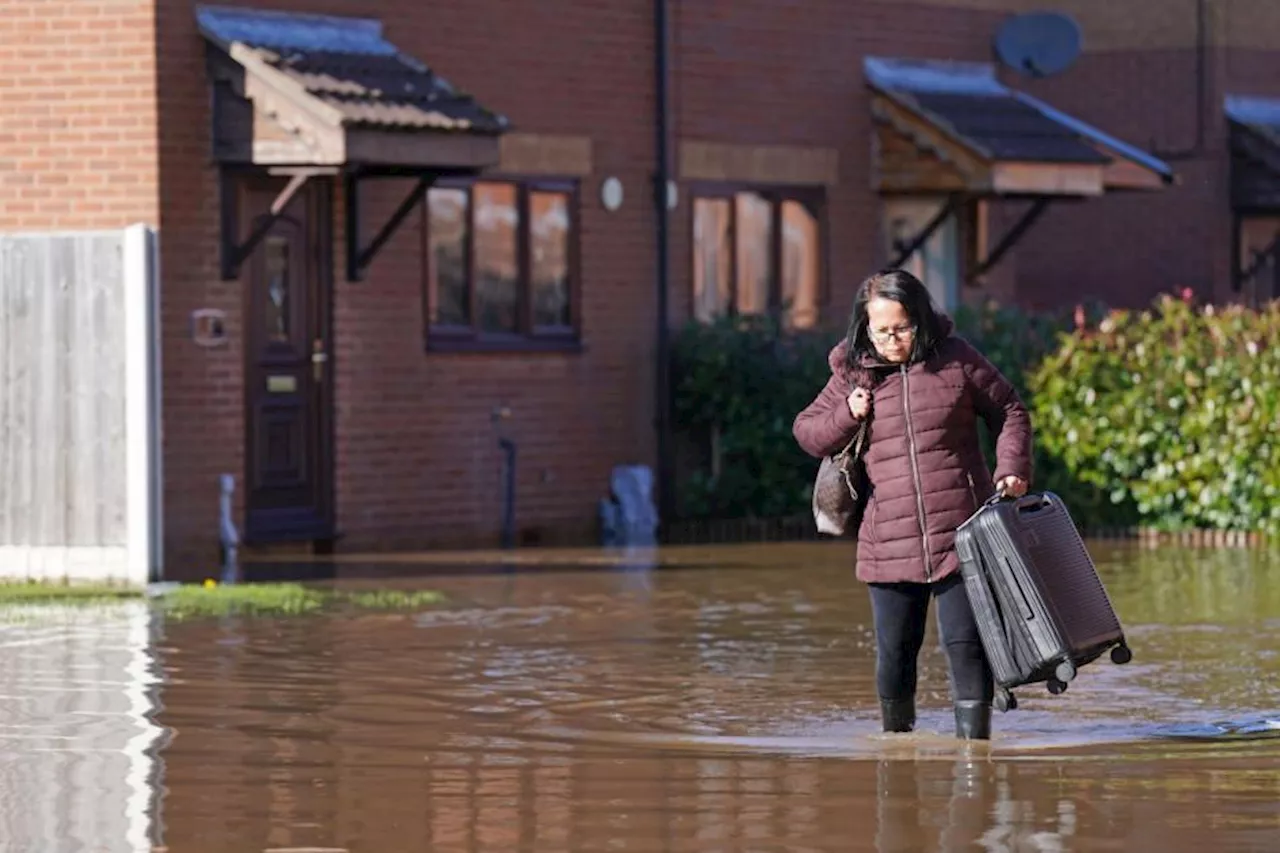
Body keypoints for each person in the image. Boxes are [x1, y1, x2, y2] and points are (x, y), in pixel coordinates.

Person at [792, 269, 1032, 740]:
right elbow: (807, 432)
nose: (892, 340)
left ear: (920, 319)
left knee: (965, 646)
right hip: (888, 540)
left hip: (963, 533)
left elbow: (1010, 410)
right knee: (895, 653)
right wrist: (848, 413)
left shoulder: (956, 360)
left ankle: (974, 758)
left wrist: (1013, 468)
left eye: (902, 328)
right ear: (866, 328)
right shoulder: (853, 372)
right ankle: (895, 752)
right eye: (881, 330)